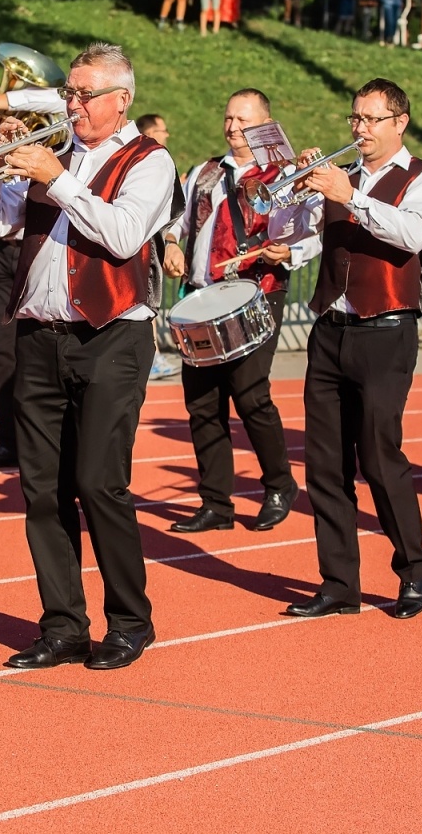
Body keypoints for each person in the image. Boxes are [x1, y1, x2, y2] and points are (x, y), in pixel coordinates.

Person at [0, 42, 178, 670]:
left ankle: (130, 621)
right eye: (70, 93)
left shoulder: (150, 161)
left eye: (85, 94)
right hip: (39, 335)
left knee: (99, 482)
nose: (73, 104)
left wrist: (56, 180)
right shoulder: (52, 155)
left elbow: (120, 235)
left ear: (121, 99)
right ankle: (62, 624)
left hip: (112, 335)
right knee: (42, 489)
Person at [267, 78, 422, 620]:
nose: (360, 129)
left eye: (371, 119)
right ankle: (339, 582)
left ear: (399, 123)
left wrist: (351, 196)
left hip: (385, 329)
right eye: (355, 119)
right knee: (324, 465)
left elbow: (411, 236)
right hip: (331, 326)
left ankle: (413, 568)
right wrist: (294, 195)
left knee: (379, 457)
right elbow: (303, 237)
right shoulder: (342, 179)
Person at [162, 88, 309, 533]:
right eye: (228, 118)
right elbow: (176, 222)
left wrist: (291, 250)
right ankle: (216, 504)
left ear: (265, 124)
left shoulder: (281, 176)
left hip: (256, 291)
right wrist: (170, 243)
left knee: (251, 395)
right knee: (202, 402)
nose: (232, 128)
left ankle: (280, 485)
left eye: (243, 120)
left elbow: (305, 228)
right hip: (203, 294)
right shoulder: (204, 173)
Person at [0, 77, 72, 472]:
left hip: (40, 249)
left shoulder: (63, 131)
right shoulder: (3, 134)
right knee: (1, 354)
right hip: (3, 253)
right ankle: (7, 440)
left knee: (36, 355)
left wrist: (2, 97)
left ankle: (42, 445)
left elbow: (61, 103)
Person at [137, 112, 181, 379]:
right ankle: (151, 358)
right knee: (146, 300)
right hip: (143, 247)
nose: (167, 135)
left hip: (149, 245)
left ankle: (153, 356)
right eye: (163, 130)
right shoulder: (150, 162)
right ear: (152, 133)